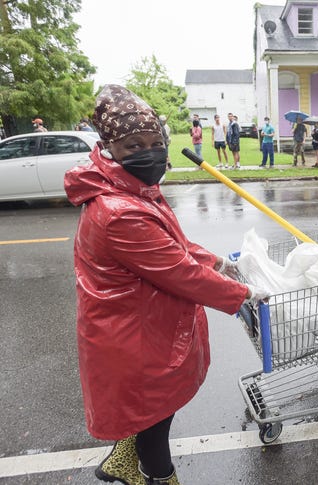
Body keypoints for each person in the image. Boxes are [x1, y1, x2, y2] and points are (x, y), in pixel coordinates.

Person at [63, 84, 268, 485]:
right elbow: (179, 272)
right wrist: (242, 293)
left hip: (138, 322)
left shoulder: (131, 191)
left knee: (153, 409)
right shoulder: (120, 211)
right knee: (155, 414)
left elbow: (175, 245)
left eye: (156, 141)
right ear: (109, 148)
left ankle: (121, 461)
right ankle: (159, 477)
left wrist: (219, 262)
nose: (150, 151)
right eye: (134, 144)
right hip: (132, 334)